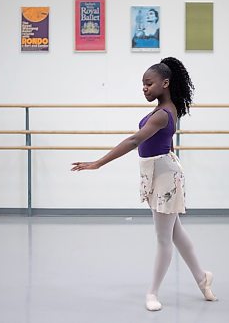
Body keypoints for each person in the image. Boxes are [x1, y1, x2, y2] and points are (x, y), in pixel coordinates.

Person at [71, 57, 217, 311]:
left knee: (164, 239)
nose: (145, 88)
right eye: (143, 85)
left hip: (164, 176)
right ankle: (202, 277)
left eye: (149, 83)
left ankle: (152, 293)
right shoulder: (167, 109)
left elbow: (134, 140)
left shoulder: (162, 115)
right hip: (158, 173)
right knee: (176, 234)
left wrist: (98, 163)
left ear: (165, 83)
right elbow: (166, 141)